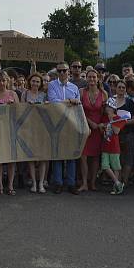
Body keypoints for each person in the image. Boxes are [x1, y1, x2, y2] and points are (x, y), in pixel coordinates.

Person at [47, 62, 81, 194]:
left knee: (71, 155)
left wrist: (72, 102)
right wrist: (69, 101)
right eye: (59, 71)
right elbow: (53, 101)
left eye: (64, 71)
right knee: (58, 155)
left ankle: (71, 184)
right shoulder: (51, 85)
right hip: (56, 124)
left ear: (69, 72)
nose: (62, 73)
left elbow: (78, 105)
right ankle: (58, 183)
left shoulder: (74, 87)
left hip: (71, 124)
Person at [79, 70, 106, 192]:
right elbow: (79, 111)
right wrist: (91, 123)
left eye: (94, 77)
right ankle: (84, 183)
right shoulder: (81, 92)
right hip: (85, 126)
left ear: (98, 78)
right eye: (89, 77)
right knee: (83, 156)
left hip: (98, 128)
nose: (91, 79)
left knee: (95, 157)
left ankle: (93, 183)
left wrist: (102, 125)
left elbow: (106, 112)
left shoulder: (104, 93)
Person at [110, 80, 134, 185]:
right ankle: (118, 179)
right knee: (116, 157)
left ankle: (125, 181)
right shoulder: (111, 101)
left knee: (128, 157)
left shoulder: (130, 102)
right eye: (119, 87)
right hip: (114, 134)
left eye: (123, 87)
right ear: (115, 88)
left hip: (128, 133)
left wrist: (122, 123)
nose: (121, 89)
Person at [101, 98, 125, 195]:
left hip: (114, 146)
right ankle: (117, 182)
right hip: (105, 146)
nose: (108, 108)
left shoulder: (119, 118)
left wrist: (111, 119)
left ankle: (116, 187)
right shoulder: (104, 117)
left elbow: (116, 131)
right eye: (107, 106)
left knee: (115, 167)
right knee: (105, 165)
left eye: (110, 106)